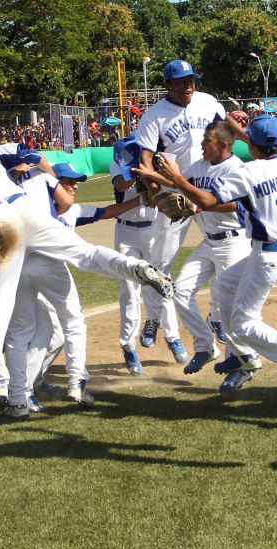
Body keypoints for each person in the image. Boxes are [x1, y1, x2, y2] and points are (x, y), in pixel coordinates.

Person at [0, 135, 174, 413]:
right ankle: (136, 268)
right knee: (86, 254)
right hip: (29, 213)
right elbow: (33, 156)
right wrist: (48, 174)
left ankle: (1, 387)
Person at [135, 114, 277, 396]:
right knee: (225, 286)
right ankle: (238, 356)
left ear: (250, 145)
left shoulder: (247, 171)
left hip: (266, 253)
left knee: (244, 322)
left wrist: (175, 177)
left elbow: (209, 201)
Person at [3, 163, 144, 418]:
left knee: (49, 334)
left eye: (75, 181)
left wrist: (140, 200)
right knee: (71, 323)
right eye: (68, 182)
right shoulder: (43, 209)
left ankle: (26, 388)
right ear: (53, 185)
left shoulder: (58, 209)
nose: (74, 186)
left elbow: (106, 211)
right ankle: (76, 383)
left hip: (23, 270)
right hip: (46, 269)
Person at [134, 59, 227, 364]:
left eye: (191, 80)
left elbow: (226, 137)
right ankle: (153, 318)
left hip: (208, 187)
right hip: (175, 195)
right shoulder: (153, 116)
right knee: (161, 261)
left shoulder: (209, 102)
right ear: (168, 85)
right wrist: (155, 191)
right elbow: (145, 158)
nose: (189, 85)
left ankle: (217, 315)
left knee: (222, 248)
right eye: (182, 81)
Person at [169, 121, 251, 377]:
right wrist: (153, 177)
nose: (202, 145)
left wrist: (202, 206)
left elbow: (239, 205)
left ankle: (239, 363)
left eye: (207, 140)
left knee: (230, 306)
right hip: (209, 242)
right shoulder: (201, 166)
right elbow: (180, 184)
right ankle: (205, 346)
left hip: (234, 243)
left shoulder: (237, 169)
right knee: (180, 291)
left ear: (223, 144)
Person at [111, 134, 159, 375]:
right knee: (129, 291)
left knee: (158, 283)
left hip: (153, 230)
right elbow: (121, 185)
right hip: (126, 233)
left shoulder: (153, 161)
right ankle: (128, 346)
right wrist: (135, 171)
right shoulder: (118, 164)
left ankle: (165, 332)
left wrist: (149, 169)